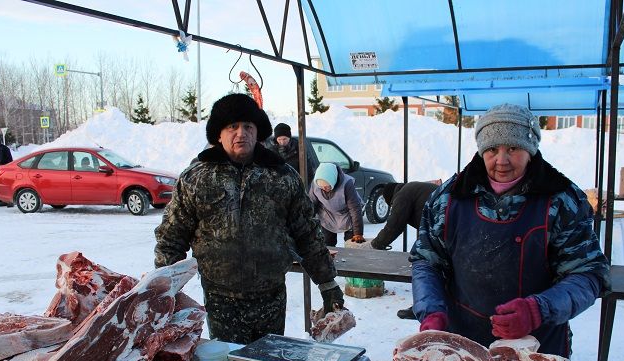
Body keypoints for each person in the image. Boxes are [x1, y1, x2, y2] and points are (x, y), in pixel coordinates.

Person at [410, 103, 610, 357]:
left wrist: (538, 309)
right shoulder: (449, 198)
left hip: (537, 349)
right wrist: (432, 312)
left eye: (513, 148)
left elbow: (588, 275)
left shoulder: (562, 200)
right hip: (463, 347)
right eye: (492, 149)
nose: (501, 160)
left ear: (530, 150)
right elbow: (427, 262)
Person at [154, 93, 344, 344]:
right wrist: (164, 288)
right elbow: (172, 237)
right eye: (232, 126)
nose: (240, 133)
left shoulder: (282, 176)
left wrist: (327, 283)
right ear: (218, 134)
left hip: (271, 297)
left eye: (247, 126)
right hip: (220, 299)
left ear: (258, 133)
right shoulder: (196, 178)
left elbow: (307, 233)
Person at [369, 181, 440, 319]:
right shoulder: (413, 188)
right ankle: (430, 305)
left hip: (441, 223)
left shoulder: (402, 195)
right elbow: (423, 222)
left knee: (423, 266)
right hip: (446, 219)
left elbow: (395, 224)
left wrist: (377, 244)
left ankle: (423, 308)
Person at [309, 162, 365, 247]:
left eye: (327, 186)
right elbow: (311, 205)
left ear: (333, 180)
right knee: (327, 244)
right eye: (321, 187)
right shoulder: (316, 184)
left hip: (347, 215)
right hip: (327, 216)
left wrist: (358, 233)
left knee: (351, 244)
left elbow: (355, 209)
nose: (324, 189)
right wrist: (307, 223)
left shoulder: (347, 184)